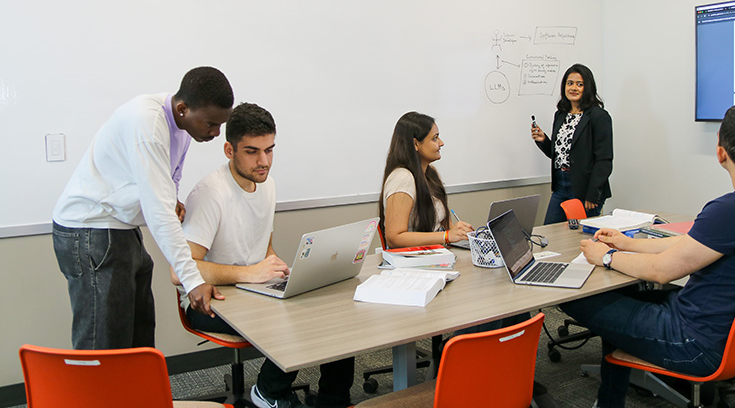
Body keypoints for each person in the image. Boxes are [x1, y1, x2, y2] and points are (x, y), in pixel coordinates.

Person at [560, 104, 735, 408]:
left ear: (721, 152)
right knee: (628, 296)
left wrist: (605, 257)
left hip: (691, 340)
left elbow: (663, 271)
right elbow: (688, 246)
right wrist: (625, 244)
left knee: (574, 294)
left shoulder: (732, 208)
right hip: (723, 332)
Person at [175, 103, 354, 408]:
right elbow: (180, 270)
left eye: (270, 150)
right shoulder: (210, 194)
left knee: (333, 312)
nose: (264, 161)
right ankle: (269, 393)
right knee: (294, 320)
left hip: (252, 289)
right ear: (229, 150)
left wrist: (276, 268)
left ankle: (333, 400)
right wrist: (250, 273)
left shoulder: (266, 184)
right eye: (252, 151)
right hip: (210, 300)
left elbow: (262, 246)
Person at [52, 66, 234, 350]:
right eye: (211, 124)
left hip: (120, 227)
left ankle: (135, 395)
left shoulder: (182, 127)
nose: (215, 132)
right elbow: (159, 211)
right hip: (90, 230)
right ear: (183, 108)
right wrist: (193, 281)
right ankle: (98, 396)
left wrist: (171, 199)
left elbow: (168, 182)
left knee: (138, 338)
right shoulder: (148, 125)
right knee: (105, 345)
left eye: (221, 125)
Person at [532, 63, 613, 224]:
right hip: (561, 186)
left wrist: (592, 194)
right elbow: (559, 154)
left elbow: (604, 160)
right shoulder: (561, 115)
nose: (573, 88)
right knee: (551, 234)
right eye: (570, 83)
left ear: (588, 87)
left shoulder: (599, 116)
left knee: (579, 239)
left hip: (585, 188)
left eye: (580, 84)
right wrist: (544, 141)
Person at [379, 111, 474, 249]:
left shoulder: (431, 174)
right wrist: (446, 236)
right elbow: (394, 237)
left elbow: (445, 227)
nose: (441, 143)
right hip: (413, 263)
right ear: (416, 144)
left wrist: (460, 233)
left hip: (436, 255)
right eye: (435, 138)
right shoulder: (402, 178)